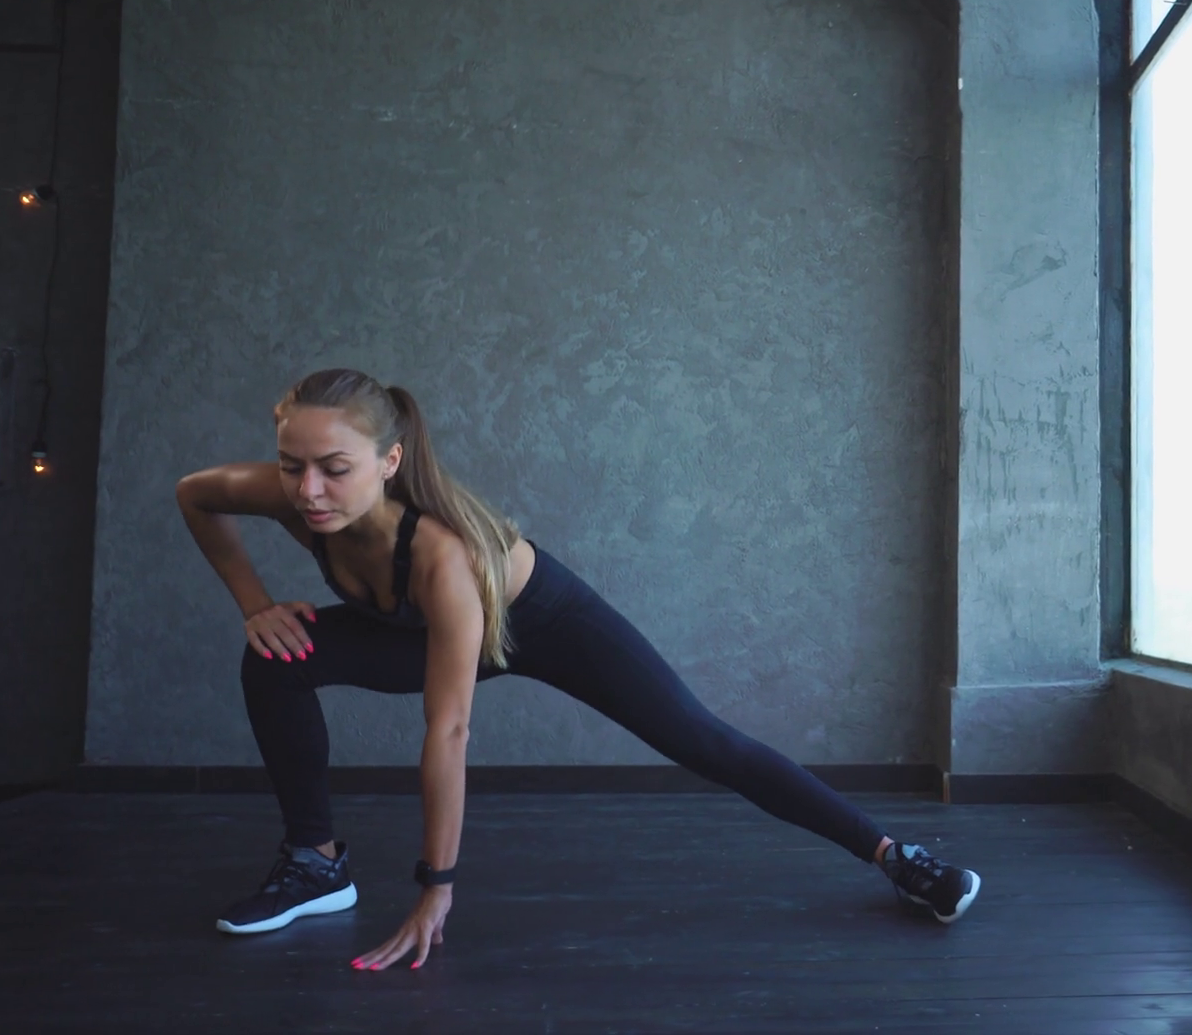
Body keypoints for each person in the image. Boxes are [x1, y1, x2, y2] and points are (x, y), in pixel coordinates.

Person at [175, 368, 980, 972]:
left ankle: (896, 858)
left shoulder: (443, 557)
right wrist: (255, 604)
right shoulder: (294, 494)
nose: (308, 490)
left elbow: (448, 730)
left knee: (703, 741)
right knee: (275, 657)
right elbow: (194, 494)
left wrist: (436, 885)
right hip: (415, 628)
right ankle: (316, 865)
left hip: (541, 621)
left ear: (389, 461)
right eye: (291, 466)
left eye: (333, 468)